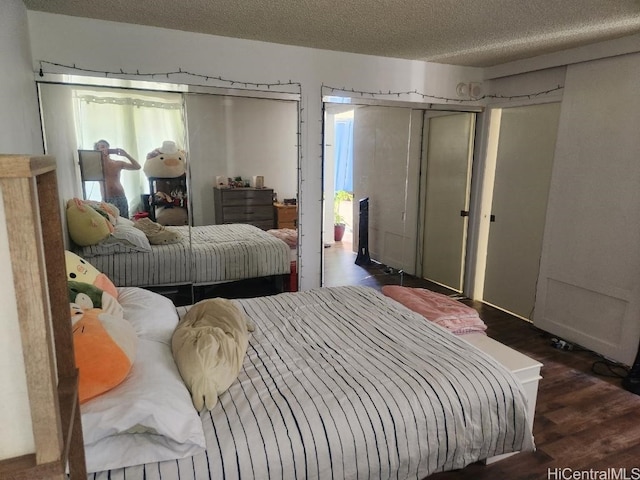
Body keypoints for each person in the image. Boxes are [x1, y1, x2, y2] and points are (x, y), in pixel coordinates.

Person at [94, 139, 141, 218]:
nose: (103, 149)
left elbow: (137, 167)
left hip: (121, 196)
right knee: (111, 222)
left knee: (125, 220)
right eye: (100, 148)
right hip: (107, 198)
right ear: (97, 150)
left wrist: (126, 155)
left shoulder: (117, 163)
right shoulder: (96, 165)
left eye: (105, 147)